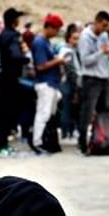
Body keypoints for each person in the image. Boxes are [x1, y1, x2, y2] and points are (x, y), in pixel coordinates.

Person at [0, 8, 30, 157]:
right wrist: (26, 59)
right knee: (7, 112)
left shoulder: (1, 35)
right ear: (14, 21)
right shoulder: (13, 36)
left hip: (0, 78)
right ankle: (3, 146)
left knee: (1, 111)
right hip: (9, 80)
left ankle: (3, 143)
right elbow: (15, 56)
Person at [77, 11, 109, 154]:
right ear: (96, 21)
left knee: (103, 110)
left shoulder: (104, 35)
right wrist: (101, 53)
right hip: (91, 78)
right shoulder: (85, 37)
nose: (104, 29)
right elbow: (85, 61)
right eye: (103, 25)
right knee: (87, 111)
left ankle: (100, 138)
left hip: (104, 76)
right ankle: (83, 143)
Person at [31, 14, 66, 155]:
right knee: (43, 114)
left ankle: (46, 140)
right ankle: (37, 141)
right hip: (45, 83)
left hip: (51, 83)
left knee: (49, 114)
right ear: (49, 28)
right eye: (56, 30)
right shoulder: (40, 42)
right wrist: (57, 61)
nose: (57, 33)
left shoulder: (46, 42)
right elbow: (40, 66)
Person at [58, 24, 82, 142]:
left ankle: (70, 131)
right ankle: (65, 133)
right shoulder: (67, 51)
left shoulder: (72, 50)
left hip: (71, 83)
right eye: (74, 38)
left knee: (71, 109)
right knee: (67, 108)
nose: (77, 41)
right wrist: (76, 87)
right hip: (68, 83)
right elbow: (71, 71)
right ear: (68, 38)